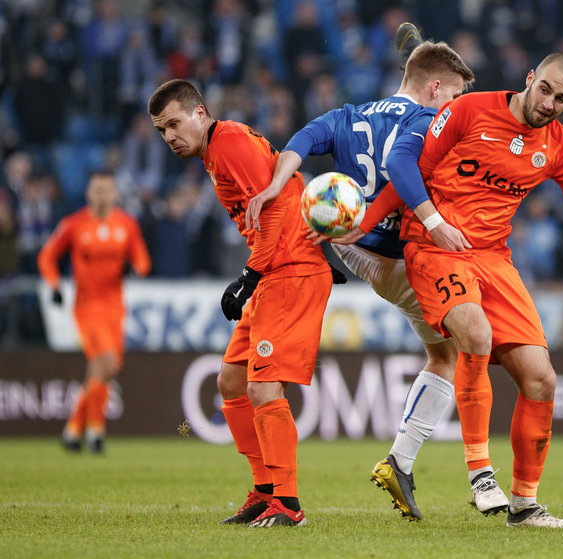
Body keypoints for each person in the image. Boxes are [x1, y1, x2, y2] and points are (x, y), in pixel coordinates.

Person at [244, 29, 475, 522]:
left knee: (443, 351)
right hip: (398, 254)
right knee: (463, 346)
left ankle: (403, 462)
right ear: (435, 89)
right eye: (454, 94)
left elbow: (301, 140)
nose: (456, 104)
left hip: (350, 247)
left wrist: (274, 185)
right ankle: (413, 462)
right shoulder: (431, 118)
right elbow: (401, 170)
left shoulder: (348, 116)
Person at [395, 53, 563, 527]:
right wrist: (423, 224)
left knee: (542, 379)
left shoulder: (559, 144)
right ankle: (480, 474)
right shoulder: (469, 110)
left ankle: (525, 506)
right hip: (436, 245)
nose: (550, 103)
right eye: (545, 90)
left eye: (562, 99)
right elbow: (410, 169)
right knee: (474, 336)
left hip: (494, 258)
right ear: (529, 79)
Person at [148, 79, 337, 528]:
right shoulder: (219, 150)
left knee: (263, 387)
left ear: (199, 113)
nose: (170, 136)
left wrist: (250, 274)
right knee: (232, 380)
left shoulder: (229, 142)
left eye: (174, 123)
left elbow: (273, 207)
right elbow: (290, 184)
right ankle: (265, 489)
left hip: (287, 271)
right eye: (161, 130)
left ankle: (288, 504)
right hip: (277, 269)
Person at [37, 171, 151, 453]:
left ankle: (73, 429)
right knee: (107, 362)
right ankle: (95, 432)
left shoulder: (126, 225)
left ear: (115, 193)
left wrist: (133, 269)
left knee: (104, 368)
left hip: (114, 306)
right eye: (97, 190)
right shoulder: (73, 224)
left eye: (107, 190)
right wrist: (54, 284)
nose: (102, 195)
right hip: (87, 306)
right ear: (88, 193)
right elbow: (47, 256)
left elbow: (143, 261)